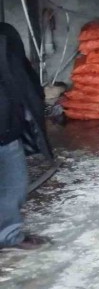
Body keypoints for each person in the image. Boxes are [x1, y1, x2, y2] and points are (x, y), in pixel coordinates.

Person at [0, 22, 53, 250]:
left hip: (8, 126)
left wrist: (32, 110)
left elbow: (24, 77)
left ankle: (8, 236)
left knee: (14, 186)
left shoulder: (6, 34)